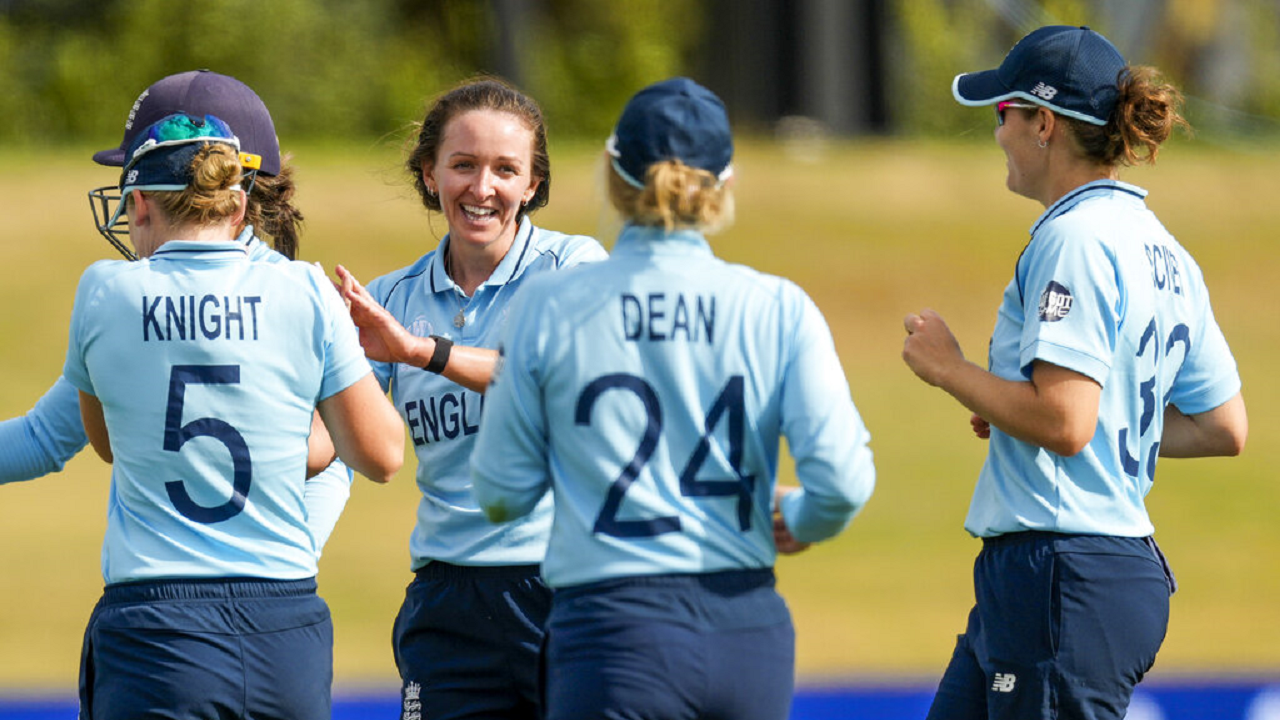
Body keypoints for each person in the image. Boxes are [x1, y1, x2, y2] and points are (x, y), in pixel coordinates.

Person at [469, 76, 876, 720]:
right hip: (746, 632)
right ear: (727, 184)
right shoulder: (777, 306)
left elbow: (499, 491)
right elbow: (844, 483)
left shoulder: (551, 304)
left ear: (613, 174)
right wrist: (798, 520)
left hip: (611, 632)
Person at [901, 25, 1248, 720]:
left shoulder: (1074, 237)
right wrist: (1009, 405)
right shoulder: (1164, 249)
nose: (997, 133)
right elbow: (1221, 425)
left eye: (1005, 114)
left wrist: (950, 369)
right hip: (1078, 574)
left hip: (1062, 574)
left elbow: (1065, 421)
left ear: (1044, 123)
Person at [61, 111, 404, 720]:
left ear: (139, 204)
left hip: (157, 629)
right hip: (283, 633)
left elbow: (107, 444)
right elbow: (382, 457)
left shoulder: (103, 290)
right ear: (239, 211)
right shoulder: (306, 289)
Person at [335, 77, 607, 719]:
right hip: (447, 598)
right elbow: (338, 444)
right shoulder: (391, 298)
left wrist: (420, 352)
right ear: (429, 174)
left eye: (505, 170)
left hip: (566, 590)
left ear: (533, 184)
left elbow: (554, 378)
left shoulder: (574, 268)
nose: (482, 188)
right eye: (463, 165)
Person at [1, 69, 355, 554]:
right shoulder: (301, 291)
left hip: (154, 596)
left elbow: (44, 438)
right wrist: (293, 559)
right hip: (275, 607)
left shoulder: (123, 297)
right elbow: (346, 454)